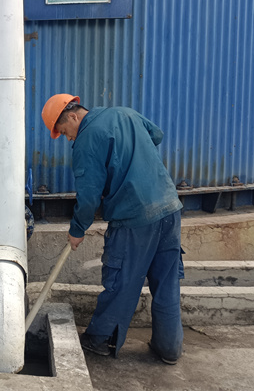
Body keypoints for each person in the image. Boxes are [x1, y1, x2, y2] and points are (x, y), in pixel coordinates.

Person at [41, 93, 184, 364]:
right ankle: (169, 349)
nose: (68, 139)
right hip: (169, 208)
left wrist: (78, 229)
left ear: (72, 116)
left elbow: (88, 196)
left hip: (133, 218)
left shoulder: (86, 141)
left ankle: (100, 340)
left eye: (65, 132)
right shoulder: (125, 113)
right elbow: (157, 135)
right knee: (167, 283)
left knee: (121, 283)